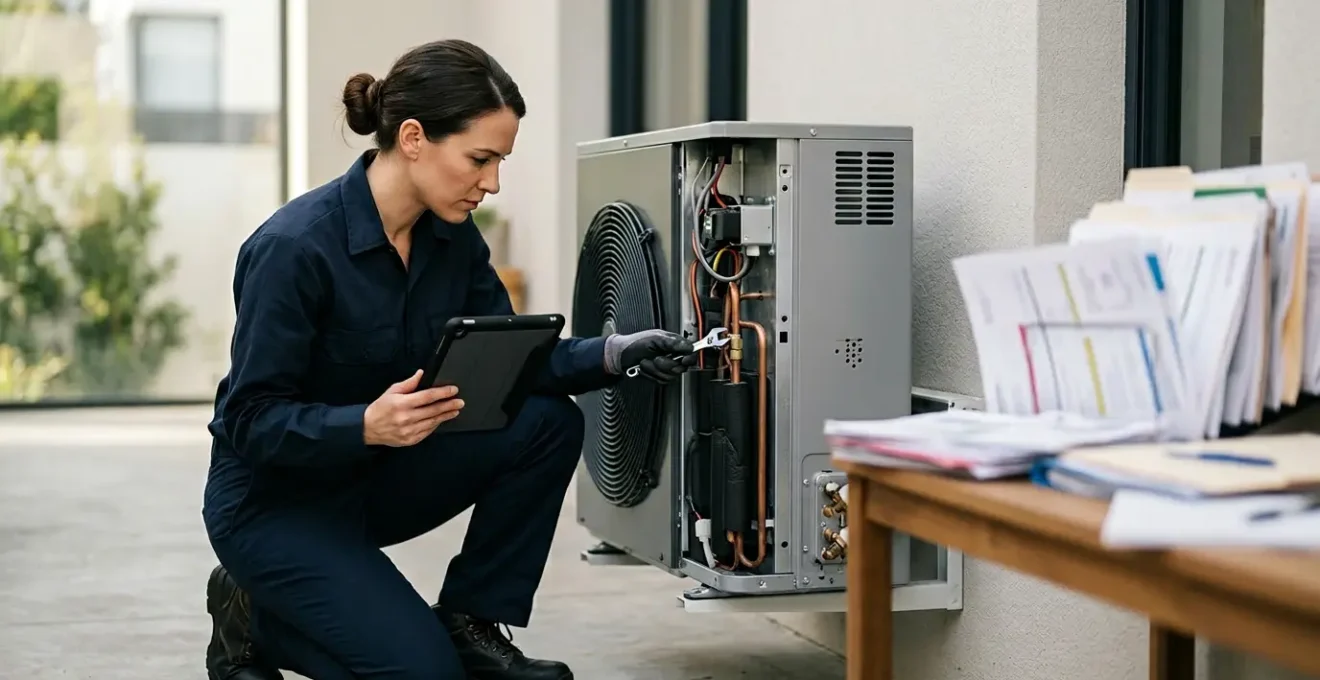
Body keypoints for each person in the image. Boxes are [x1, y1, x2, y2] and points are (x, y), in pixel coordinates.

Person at [201, 39, 696, 680]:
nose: (491, 183)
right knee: (424, 675)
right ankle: (252, 616)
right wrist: (363, 425)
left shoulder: (452, 238)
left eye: (500, 162)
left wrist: (615, 353)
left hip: (373, 479)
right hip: (274, 505)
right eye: (480, 159)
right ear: (413, 138)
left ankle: (470, 621)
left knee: (547, 423)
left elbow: (513, 360)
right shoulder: (293, 250)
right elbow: (250, 420)